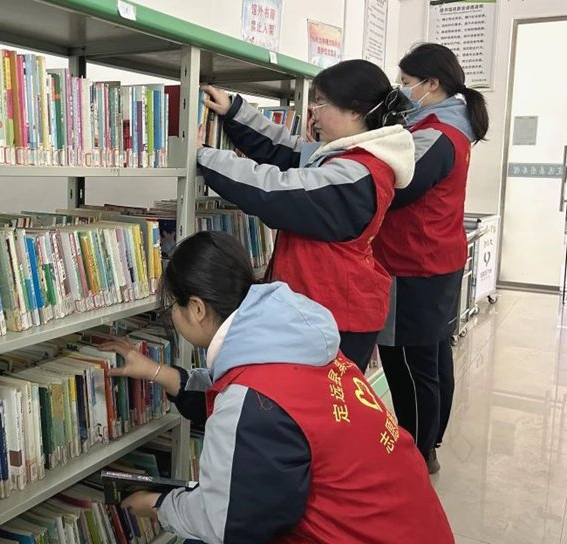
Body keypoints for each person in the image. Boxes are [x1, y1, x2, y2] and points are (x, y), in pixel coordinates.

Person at [103, 231, 454, 544]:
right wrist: (158, 372)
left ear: (196, 309)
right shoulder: (292, 340)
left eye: (173, 308)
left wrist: (159, 505)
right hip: (410, 524)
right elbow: (242, 400)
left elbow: (226, 521)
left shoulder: (252, 398)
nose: (172, 317)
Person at [195, 59, 416, 372]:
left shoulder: (355, 175)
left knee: (319, 400)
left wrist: (205, 155)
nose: (313, 114)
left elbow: (274, 191)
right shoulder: (348, 156)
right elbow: (286, 151)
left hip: (336, 317)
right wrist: (235, 112)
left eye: (321, 104)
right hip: (325, 310)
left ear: (355, 111)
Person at [372, 43, 490, 473]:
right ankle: (430, 443)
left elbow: (399, 190)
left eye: (406, 82)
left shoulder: (437, 132)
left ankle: (416, 456)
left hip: (413, 265)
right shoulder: (452, 125)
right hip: (437, 259)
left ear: (432, 83)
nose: (401, 89)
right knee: (434, 357)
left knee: (408, 363)